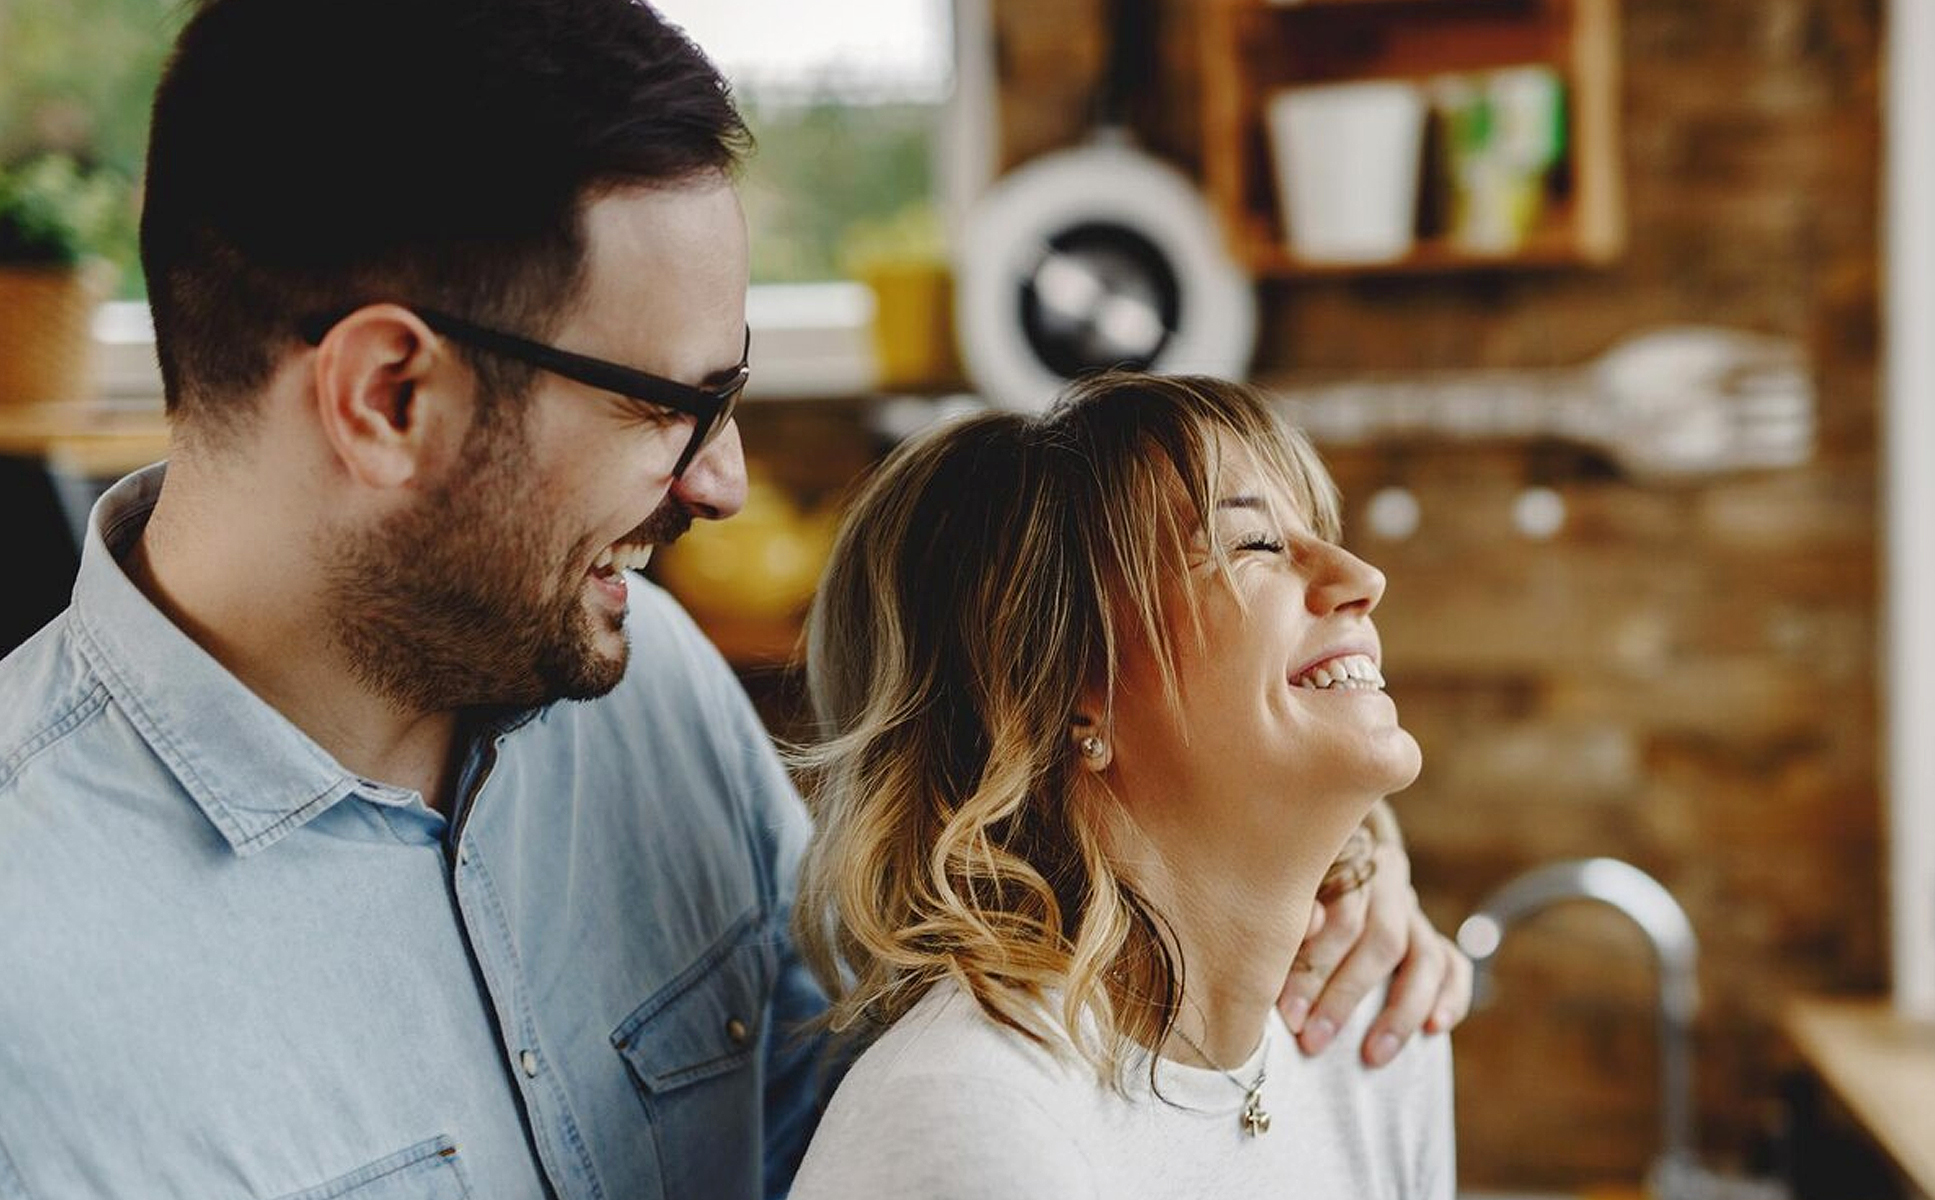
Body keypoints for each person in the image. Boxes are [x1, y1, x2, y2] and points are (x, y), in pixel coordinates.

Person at [0, 2, 1464, 1197]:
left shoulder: (653, 691)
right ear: (392, 396)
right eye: (672, 408)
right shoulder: (32, 985)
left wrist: (1293, 886)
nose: (727, 483)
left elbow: (924, 1075)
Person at [788, 373, 1457, 1198]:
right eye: (1253, 545)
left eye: (1320, 532)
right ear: (1065, 682)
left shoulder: (1379, 1032)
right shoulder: (967, 1119)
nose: (1360, 576)